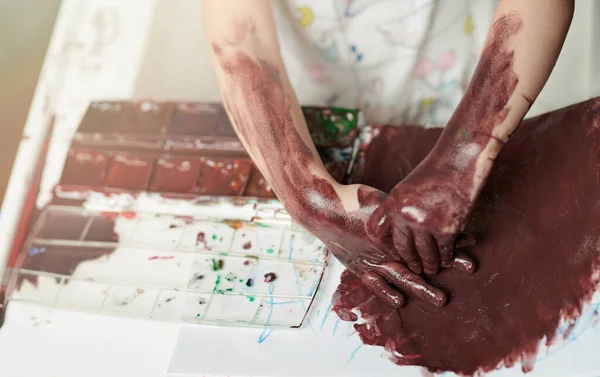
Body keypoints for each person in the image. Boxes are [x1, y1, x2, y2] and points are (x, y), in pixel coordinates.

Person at [202, 0, 574, 307]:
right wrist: (305, 192)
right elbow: (239, 35)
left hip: (454, 94)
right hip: (309, 110)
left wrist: (462, 155)